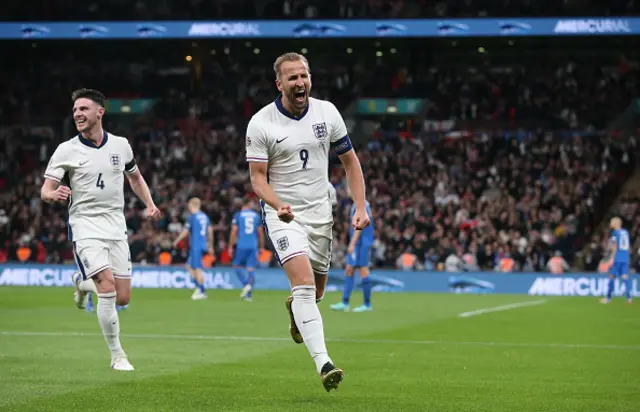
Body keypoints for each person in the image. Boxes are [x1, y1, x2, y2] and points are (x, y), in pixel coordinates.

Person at [245, 52, 370, 392]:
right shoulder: (262, 123)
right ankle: (324, 363)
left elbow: (350, 162)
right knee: (302, 287)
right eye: (292, 78)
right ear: (279, 83)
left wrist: (359, 206)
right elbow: (257, 179)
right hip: (283, 213)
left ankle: (297, 310)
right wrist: (277, 204)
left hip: (320, 212)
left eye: (304, 76)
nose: (299, 82)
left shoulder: (327, 112)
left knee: (314, 293)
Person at [41, 88, 161, 371]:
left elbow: (135, 177)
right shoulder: (66, 150)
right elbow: (45, 190)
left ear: (100, 112)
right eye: (75, 111)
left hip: (116, 227)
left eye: (83, 109)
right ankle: (117, 355)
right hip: (85, 226)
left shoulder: (121, 145)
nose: (78, 114)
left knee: (122, 297)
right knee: (106, 288)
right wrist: (53, 194)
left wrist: (150, 204)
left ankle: (81, 283)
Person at [331, 200, 375, 312]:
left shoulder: (361, 204)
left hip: (361, 243)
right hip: (360, 242)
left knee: (363, 270)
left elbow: (360, 225)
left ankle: (367, 304)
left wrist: (352, 243)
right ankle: (345, 302)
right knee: (349, 269)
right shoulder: (359, 204)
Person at [172, 197, 214, 300]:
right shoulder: (205, 217)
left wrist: (177, 240)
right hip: (203, 244)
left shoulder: (193, 217)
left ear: (192, 205)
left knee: (197, 269)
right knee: (189, 266)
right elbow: (210, 231)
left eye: (189, 206)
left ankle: (201, 290)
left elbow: (186, 231)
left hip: (196, 245)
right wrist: (210, 245)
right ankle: (200, 288)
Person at [228, 199, 264, 301]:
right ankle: (248, 294)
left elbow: (233, 231)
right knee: (251, 269)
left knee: (236, 265)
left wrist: (230, 246)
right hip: (253, 245)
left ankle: (245, 284)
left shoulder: (238, 215)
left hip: (241, 245)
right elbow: (260, 233)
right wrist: (261, 247)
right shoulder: (256, 216)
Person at [601, 217, 632, 304]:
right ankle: (629, 298)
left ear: (616, 223)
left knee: (611, 276)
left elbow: (614, 247)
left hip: (617, 257)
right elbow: (629, 247)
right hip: (625, 257)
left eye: (611, 222)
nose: (610, 224)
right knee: (625, 277)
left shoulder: (615, 233)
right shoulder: (625, 232)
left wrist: (612, 258)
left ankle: (608, 298)